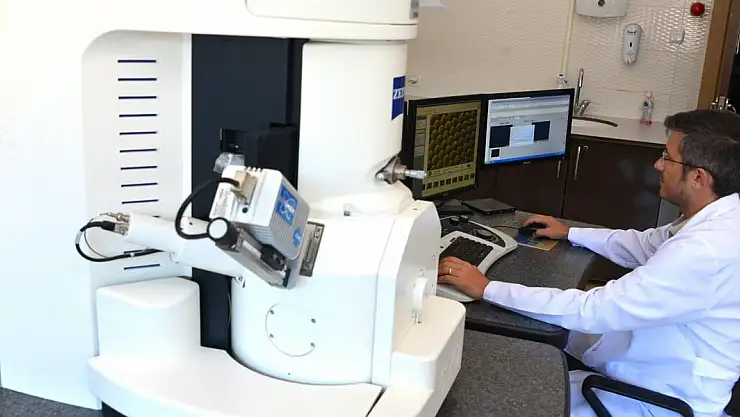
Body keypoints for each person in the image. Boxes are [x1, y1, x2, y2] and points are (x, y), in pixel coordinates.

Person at [438, 109, 740, 417]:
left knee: (495, 397)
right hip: (651, 364)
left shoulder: (705, 250)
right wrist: (570, 232)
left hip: (653, 401)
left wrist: (487, 288)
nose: (658, 165)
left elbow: (594, 310)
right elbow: (644, 244)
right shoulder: (720, 219)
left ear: (698, 178)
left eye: (668, 158)